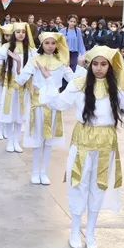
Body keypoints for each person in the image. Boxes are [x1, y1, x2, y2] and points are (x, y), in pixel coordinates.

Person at [37, 45, 124, 248]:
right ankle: (74, 231)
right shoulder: (78, 84)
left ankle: (90, 233)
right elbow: (58, 103)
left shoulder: (117, 87)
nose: (99, 68)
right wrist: (47, 80)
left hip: (106, 142)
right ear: (90, 65)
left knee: (98, 186)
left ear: (110, 66)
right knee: (78, 184)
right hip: (82, 140)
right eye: (95, 64)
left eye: (103, 64)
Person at [17, 32, 81, 185]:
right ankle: (35, 172)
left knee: (49, 141)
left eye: (53, 43)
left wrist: (81, 67)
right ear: (42, 44)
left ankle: (44, 172)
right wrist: (20, 65)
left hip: (54, 105)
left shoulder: (61, 61)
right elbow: (21, 80)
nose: (50, 46)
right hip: (38, 105)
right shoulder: (34, 60)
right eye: (47, 43)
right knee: (37, 139)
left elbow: (73, 80)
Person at [0, 22, 37, 153]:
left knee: (19, 116)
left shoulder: (30, 50)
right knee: (9, 114)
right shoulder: (6, 47)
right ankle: (10, 142)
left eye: (23, 32)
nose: (21, 34)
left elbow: (36, 65)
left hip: (23, 87)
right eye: (18, 32)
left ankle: (16, 141)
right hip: (9, 86)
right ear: (13, 33)